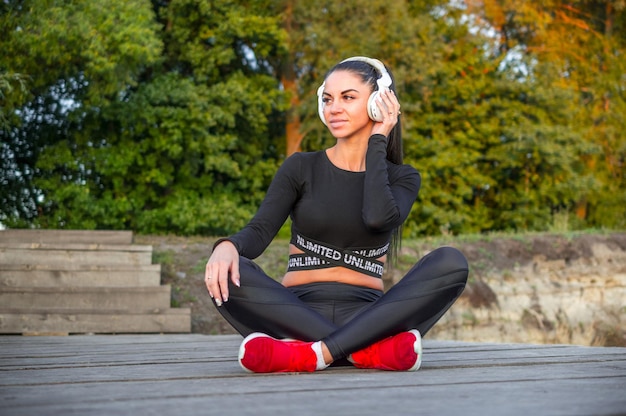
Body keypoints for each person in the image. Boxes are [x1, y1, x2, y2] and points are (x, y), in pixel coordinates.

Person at [205, 56, 469, 373]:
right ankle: (363, 352)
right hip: (293, 311)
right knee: (228, 270)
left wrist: (378, 137)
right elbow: (259, 232)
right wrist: (227, 246)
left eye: (347, 97)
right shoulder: (301, 167)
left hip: (369, 316)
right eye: (327, 99)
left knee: (451, 263)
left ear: (379, 103)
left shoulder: (403, 177)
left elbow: (377, 217)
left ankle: (306, 354)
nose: (333, 108)